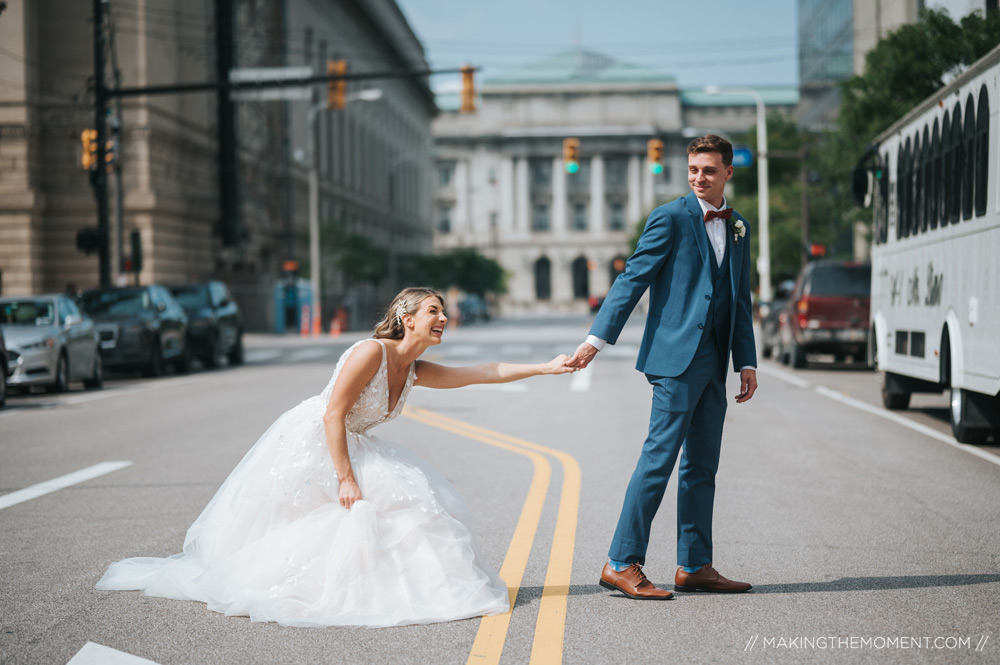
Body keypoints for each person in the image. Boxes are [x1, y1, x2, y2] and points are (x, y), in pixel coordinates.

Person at [96, 287, 574, 627]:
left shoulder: (413, 367)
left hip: (352, 441)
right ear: (407, 317)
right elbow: (332, 415)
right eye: (433, 310)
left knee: (413, 500)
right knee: (346, 509)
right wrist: (345, 477)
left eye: (443, 311)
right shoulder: (371, 351)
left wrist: (546, 367)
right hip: (315, 440)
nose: (442, 317)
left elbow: (481, 372)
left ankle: (408, 586)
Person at [567, 134, 758, 600]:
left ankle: (694, 565)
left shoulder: (739, 227)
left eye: (709, 170)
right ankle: (620, 561)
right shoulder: (670, 218)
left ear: (728, 173)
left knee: (702, 466)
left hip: (714, 360)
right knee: (659, 459)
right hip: (675, 359)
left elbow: (739, 297)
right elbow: (633, 277)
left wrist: (746, 360)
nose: (699, 178)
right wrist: (597, 339)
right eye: (693, 170)